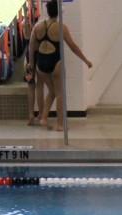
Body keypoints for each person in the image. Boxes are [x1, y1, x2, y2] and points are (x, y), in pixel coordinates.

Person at [28, 0, 91, 131]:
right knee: (59, 93)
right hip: (55, 62)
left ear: (47, 11)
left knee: (51, 91)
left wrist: (31, 65)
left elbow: (31, 48)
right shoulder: (61, 27)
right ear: (59, 12)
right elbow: (73, 47)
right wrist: (86, 61)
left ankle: (44, 118)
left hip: (41, 64)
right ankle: (60, 124)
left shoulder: (38, 27)